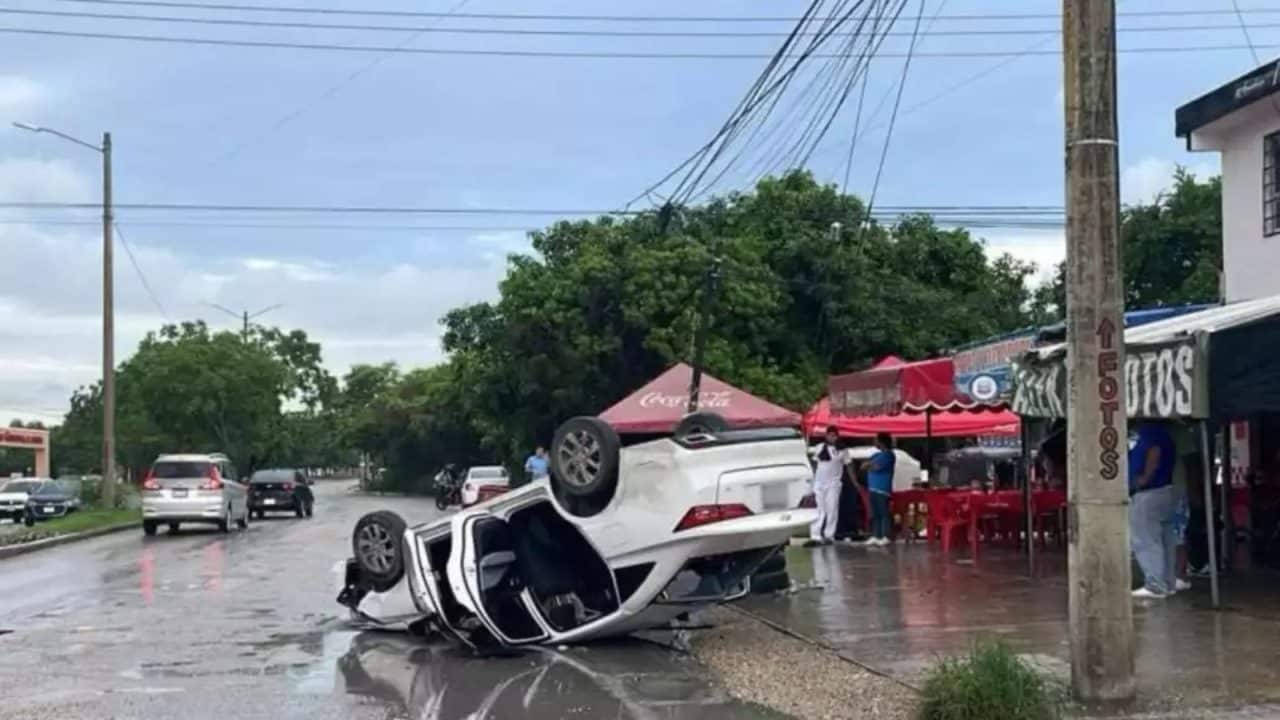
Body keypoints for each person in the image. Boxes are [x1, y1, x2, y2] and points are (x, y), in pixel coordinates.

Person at [1129, 422, 1179, 599]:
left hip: (1149, 492)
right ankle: (1168, 582)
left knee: (1145, 538)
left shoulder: (1150, 431)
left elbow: (1154, 451)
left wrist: (1144, 478)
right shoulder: (1164, 433)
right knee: (1165, 540)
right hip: (1165, 489)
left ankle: (1155, 584)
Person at [807, 425, 850, 547]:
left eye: (834, 435)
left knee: (832, 509)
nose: (832, 437)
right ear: (826, 436)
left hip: (833, 483)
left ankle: (829, 535)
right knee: (819, 510)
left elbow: (849, 464)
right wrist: (811, 481)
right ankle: (815, 535)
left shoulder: (842, 450)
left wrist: (854, 481)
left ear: (837, 436)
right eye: (829, 435)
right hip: (819, 483)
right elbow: (815, 465)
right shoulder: (820, 447)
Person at [861, 432, 896, 546]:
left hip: (882, 488)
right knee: (875, 513)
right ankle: (876, 535)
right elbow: (864, 465)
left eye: (876, 440)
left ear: (882, 442)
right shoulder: (876, 455)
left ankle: (886, 535)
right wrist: (869, 465)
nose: (874, 442)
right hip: (872, 488)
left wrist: (869, 465)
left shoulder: (889, 455)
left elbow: (876, 467)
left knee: (883, 512)